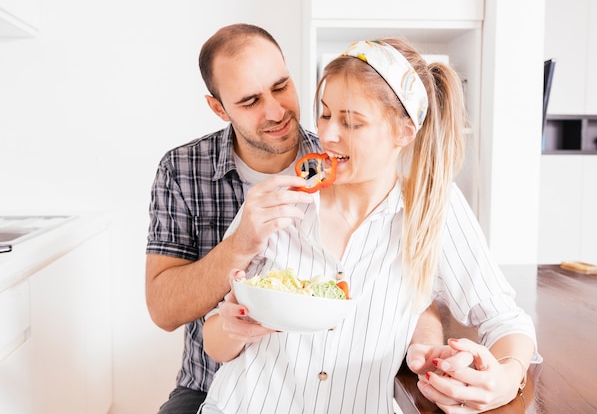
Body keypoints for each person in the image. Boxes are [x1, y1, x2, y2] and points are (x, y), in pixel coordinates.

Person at [200, 38, 540, 414]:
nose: (327, 135)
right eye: (326, 114)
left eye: (351, 122)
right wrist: (234, 327)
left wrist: (507, 379)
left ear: (404, 132)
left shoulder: (431, 209)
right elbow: (214, 338)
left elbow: (506, 320)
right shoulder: (277, 198)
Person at [145, 24, 444, 414]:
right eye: (250, 101)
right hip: (210, 382)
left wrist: (427, 351)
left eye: (281, 86)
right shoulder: (182, 169)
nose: (275, 111)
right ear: (219, 108)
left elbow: (408, 286)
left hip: (323, 390)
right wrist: (241, 244)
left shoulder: (340, 156)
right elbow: (163, 310)